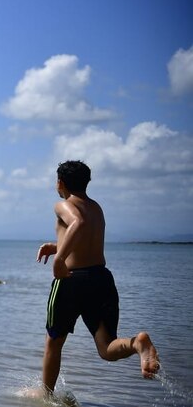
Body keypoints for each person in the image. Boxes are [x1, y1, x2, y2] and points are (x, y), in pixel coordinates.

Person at [36, 160, 159, 395]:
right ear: (87, 182)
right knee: (106, 348)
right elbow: (85, 237)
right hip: (100, 279)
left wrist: (59, 259)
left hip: (71, 281)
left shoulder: (63, 205)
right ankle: (137, 343)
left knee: (54, 342)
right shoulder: (96, 207)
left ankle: (46, 395)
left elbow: (77, 223)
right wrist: (56, 247)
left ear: (60, 183)